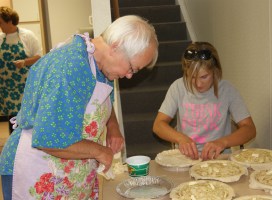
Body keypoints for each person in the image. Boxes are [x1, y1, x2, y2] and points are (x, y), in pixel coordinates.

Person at [0, 15, 158, 200]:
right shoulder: (70, 65)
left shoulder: (101, 65)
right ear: (116, 45)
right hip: (36, 169)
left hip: (71, 174)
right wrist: (100, 151)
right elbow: (50, 139)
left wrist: (112, 126)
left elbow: (102, 98)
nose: (129, 76)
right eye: (132, 68)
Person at [153, 41, 256, 161]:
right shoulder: (177, 87)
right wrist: (180, 138)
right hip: (185, 159)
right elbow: (158, 125)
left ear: (215, 70)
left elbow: (250, 129)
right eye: (191, 77)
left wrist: (223, 142)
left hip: (218, 158)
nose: (198, 84)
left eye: (204, 77)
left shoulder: (227, 89)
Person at [0, 6, 42, 134]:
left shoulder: (27, 36)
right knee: (11, 116)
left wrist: (24, 62)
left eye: (1, 22)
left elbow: (38, 56)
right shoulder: (0, 38)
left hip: (23, 85)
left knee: (24, 114)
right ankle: (13, 143)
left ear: (9, 21)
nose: (0, 26)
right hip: (6, 86)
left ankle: (26, 142)